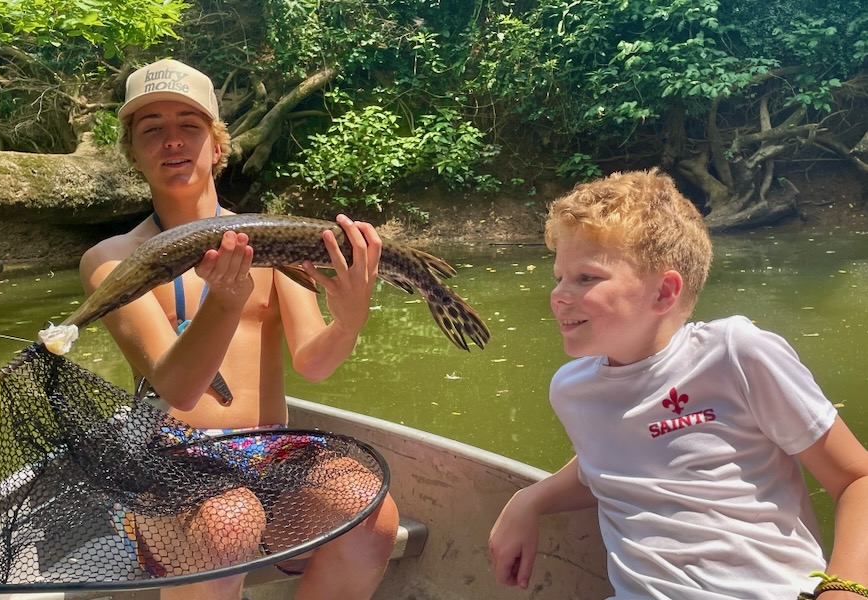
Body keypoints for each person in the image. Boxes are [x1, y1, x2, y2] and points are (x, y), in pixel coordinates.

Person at [79, 58, 399, 600]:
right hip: (169, 462)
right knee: (228, 523)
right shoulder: (112, 261)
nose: (172, 141)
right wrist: (226, 301)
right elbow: (178, 388)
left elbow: (314, 361)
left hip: (267, 455)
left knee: (373, 513)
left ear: (218, 144)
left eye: (190, 125)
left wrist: (350, 316)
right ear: (131, 151)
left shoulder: (272, 239)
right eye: (151, 129)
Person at [487, 169, 868, 599]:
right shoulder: (572, 390)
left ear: (665, 293)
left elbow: (856, 478)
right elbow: (610, 463)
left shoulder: (734, 354)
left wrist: (845, 589)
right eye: (559, 277)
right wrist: (530, 500)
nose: (558, 295)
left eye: (586, 278)